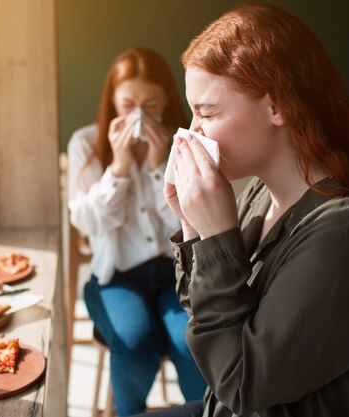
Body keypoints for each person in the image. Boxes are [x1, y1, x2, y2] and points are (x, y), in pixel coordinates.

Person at [140, 3, 349, 417]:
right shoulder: (260, 193)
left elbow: (241, 384)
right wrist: (194, 228)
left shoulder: (344, 238)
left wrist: (217, 239)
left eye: (208, 111)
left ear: (277, 105)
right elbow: (205, 319)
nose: (192, 131)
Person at [67, 47, 207, 416]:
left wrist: (160, 166)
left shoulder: (184, 143)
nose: (139, 114)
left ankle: (205, 412)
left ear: (168, 101)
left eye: (151, 104)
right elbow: (87, 224)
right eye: (128, 103)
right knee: (134, 338)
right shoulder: (87, 143)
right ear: (112, 100)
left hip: (176, 276)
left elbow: (190, 224)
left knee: (189, 340)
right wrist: (120, 167)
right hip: (116, 277)